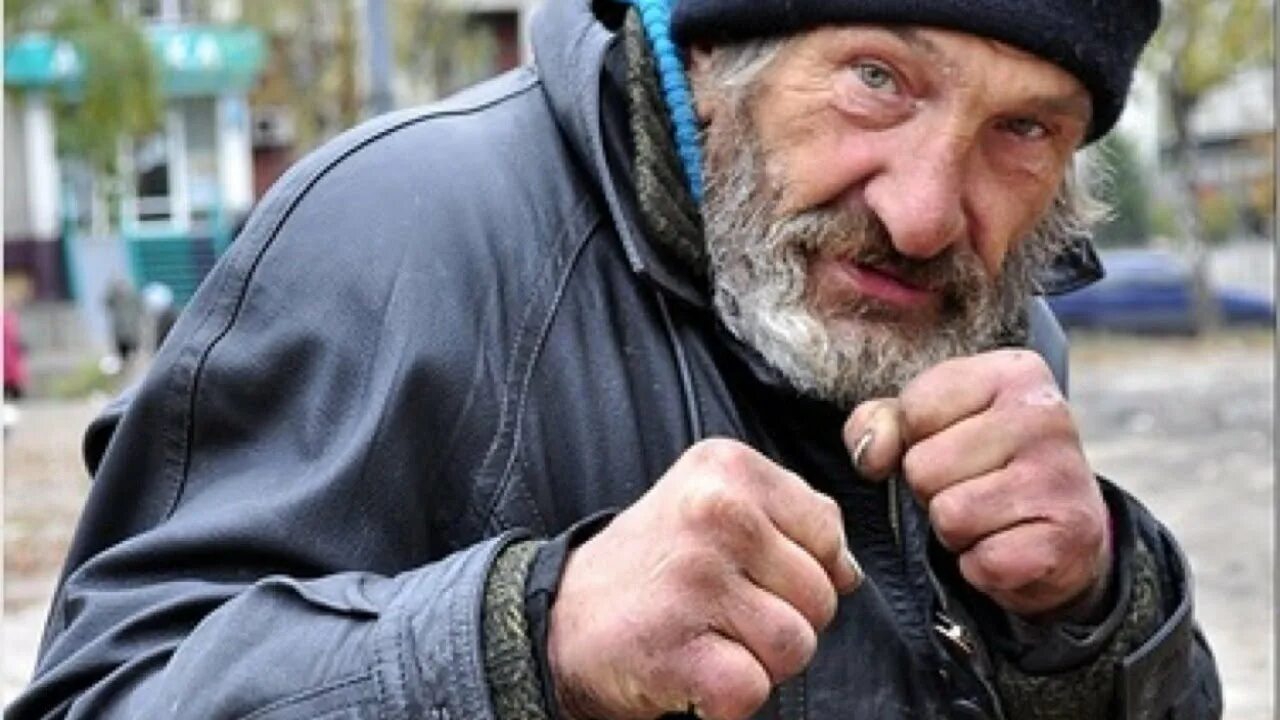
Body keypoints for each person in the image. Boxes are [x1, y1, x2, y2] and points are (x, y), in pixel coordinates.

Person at [11, 0, 1221, 718]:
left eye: (1022, 129)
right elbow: (106, 696)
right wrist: (527, 645)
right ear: (717, 60)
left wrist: (1090, 607)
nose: (921, 215)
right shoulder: (399, 234)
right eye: (875, 79)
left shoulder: (992, 317)